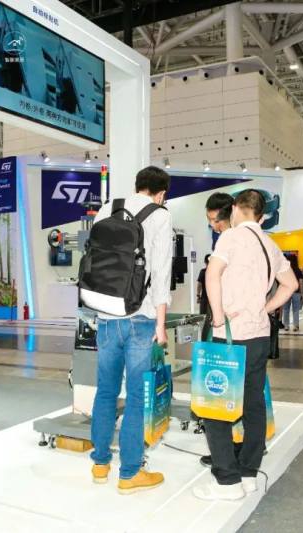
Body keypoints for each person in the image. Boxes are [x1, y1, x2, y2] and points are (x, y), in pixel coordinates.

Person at [194, 189, 296, 501]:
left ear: (237, 208)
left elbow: (212, 274)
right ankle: (248, 473)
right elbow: (291, 284)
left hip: (230, 335)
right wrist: (265, 308)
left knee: (216, 405)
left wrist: (218, 315)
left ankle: (227, 481)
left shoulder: (231, 237)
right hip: (259, 335)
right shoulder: (269, 243)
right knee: (253, 405)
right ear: (262, 215)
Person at [89, 167, 173, 494]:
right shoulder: (160, 215)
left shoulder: (107, 209)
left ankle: (99, 464)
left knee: (105, 391)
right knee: (137, 397)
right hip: (141, 317)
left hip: (105, 314)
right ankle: (130, 473)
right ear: (161, 193)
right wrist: (161, 325)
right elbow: (161, 273)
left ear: (137, 185)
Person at [282, 256, 303, 332]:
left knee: (286, 309)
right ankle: (296, 326)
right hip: (296, 292)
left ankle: (286, 326)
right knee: (296, 310)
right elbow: (301, 282)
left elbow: (282, 282)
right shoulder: (298, 271)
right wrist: (302, 293)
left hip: (286, 292)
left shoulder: (285, 270)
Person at [197, 254, 212, 339]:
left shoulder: (203, 271)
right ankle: (208, 337)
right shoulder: (215, 272)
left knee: (202, 318)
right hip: (211, 299)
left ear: (205, 262)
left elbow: (199, 285)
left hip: (204, 299)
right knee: (210, 318)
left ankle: (203, 337)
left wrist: (198, 295)